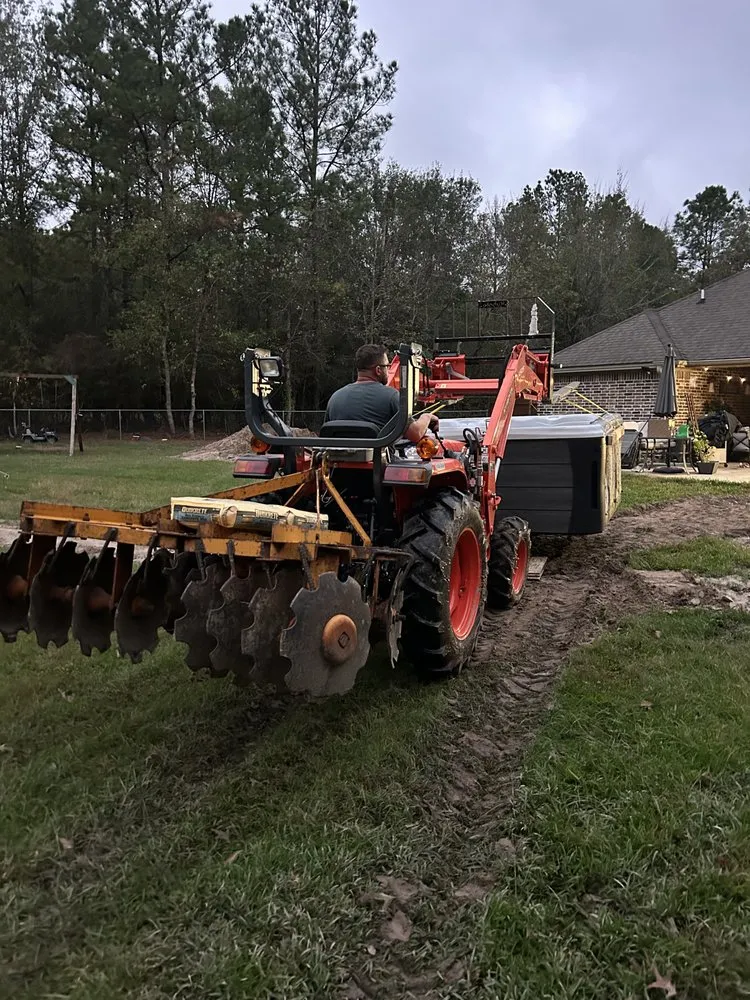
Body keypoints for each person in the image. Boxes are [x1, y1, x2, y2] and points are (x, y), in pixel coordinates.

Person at [325, 344, 438, 443]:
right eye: (387, 367)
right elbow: (415, 434)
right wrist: (426, 416)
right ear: (378, 370)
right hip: (378, 465)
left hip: (337, 465)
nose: (388, 371)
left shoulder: (335, 397)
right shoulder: (391, 396)